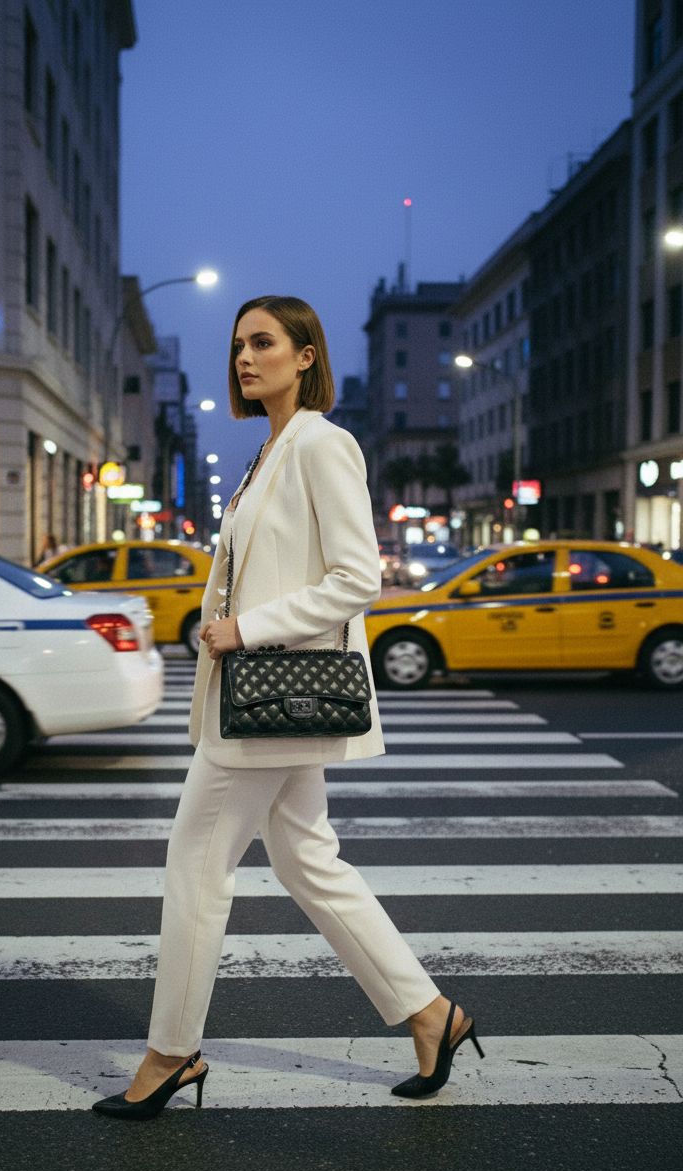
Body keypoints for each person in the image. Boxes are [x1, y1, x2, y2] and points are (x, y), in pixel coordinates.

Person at [92, 295, 483, 1121]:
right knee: (308, 860)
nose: (245, 357)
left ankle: (171, 1052)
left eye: (263, 342)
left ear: (306, 355)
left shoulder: (321, 443)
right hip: (267, 703)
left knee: (196, 862)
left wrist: (247, 628)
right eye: (238, 344)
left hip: (275, 694)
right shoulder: (267, 452)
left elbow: (357, 578)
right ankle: (430, 1014)